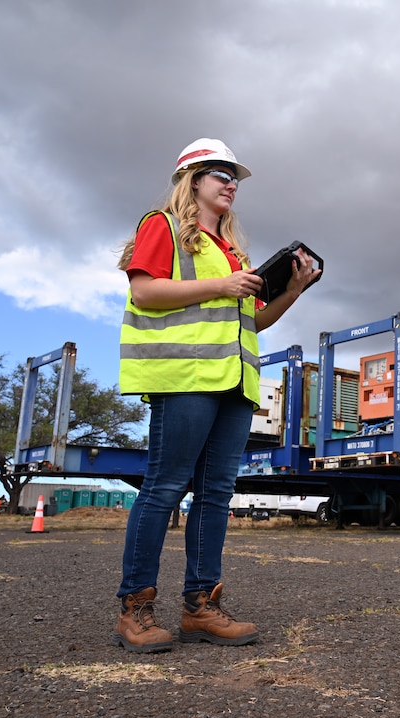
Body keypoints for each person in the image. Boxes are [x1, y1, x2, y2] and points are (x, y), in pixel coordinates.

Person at [112, 138, 319, 653]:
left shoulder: (231, 252)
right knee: (164, 487)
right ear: (193, 180)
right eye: (221, 174)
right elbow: (145, 291)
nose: (231, 183)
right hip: (185, 378)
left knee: (215, 496)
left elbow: (254, 319)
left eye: (234, 178)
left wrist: (291, 290)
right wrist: (223, 286)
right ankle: (134, 609)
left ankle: (200, 607)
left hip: (234, 385)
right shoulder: (161, 226)